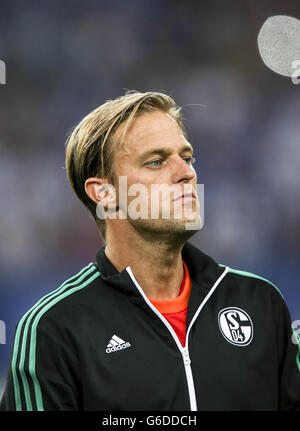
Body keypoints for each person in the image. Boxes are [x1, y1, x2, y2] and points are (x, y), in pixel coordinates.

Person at [1, 91, 299, 411]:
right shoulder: (54, 329)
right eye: (156, 162)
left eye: (187, 158)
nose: (186, 173)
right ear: (104, 193)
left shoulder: (260, 302)